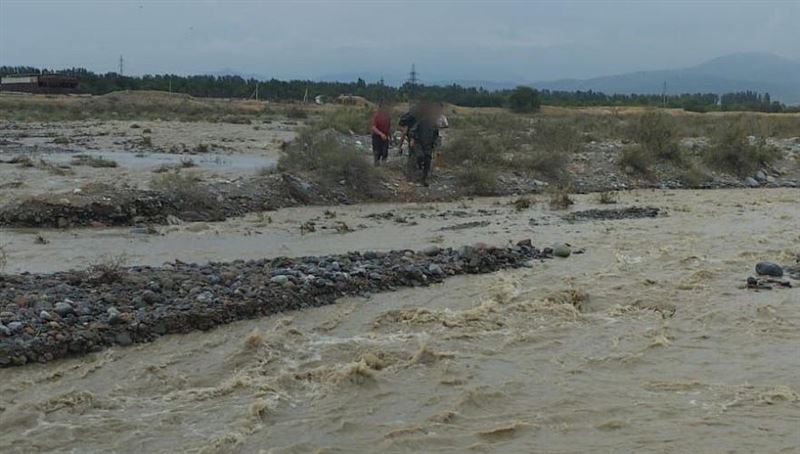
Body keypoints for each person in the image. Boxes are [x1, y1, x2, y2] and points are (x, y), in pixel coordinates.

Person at [410, 105, 439, 186]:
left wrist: (435, 144)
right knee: (420, 156)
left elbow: (436, 135)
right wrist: (413, 139)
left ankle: (424, 179)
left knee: (427, 161)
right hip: (419, 143)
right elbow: (413, 131)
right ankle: (417, 169)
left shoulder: (434, 125)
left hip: (428, 145)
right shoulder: (421, 121)